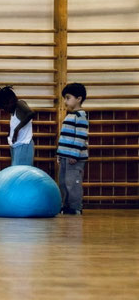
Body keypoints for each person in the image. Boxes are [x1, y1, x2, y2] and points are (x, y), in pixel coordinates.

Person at [56, 83, 89, 215]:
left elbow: (80, 137)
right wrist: (60, 154)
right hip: (65, 157)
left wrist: (74, 155)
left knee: (73, 183)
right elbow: (64, 137)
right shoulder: (70, 115)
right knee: (63, 182)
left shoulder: (80, 116)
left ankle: (76, 207)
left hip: (74, 158)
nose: (65, 101)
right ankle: (66, 205)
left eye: (68, 98)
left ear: (79, 99)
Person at [0, 85, 36, 166]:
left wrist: (16, 130)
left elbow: (31, 113)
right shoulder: (13, 111)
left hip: (24, 144)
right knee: (16, 169)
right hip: (17, 145)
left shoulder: (19, 104)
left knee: (21, 171)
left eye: (5, 107)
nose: (5, 110)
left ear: (10, 102)